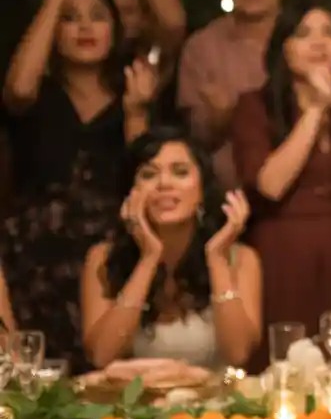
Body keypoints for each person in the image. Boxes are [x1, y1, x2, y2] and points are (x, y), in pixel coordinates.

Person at [1, 0, 158, 371]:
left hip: (104, 261)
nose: (84, 27)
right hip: (32, 260)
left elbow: (141, 179)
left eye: (97, 16)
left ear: (116, 30)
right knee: (32, 380)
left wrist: (137, 114)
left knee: (104, 378)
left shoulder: (132, 94)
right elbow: (17, 88)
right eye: (70, 18)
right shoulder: (39, 93)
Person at [231, 3, 331, 369]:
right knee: (282, 362)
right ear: (283, 49)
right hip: (282, 250)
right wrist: (316, 109)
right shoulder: (256, 106)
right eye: (303, 34)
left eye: (330, 33)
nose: (319, 43)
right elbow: (270, 185)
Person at [80, 127, 262, 369]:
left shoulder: (241, 258)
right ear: (131, 193)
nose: (164, 183)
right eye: (148, 174)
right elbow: (102, 356)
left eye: (180, 172)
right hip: (134, 393)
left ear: (203, 190)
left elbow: (238, 355)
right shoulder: (102, 258)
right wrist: (148, 258)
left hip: (216, 393)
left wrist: (217, 259)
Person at [177, 0, 290, 189]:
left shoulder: (304, 38)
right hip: (227, 194)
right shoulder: (202, 47)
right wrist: (220, 120)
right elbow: (195, 140)